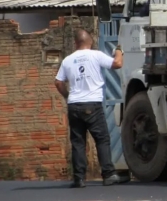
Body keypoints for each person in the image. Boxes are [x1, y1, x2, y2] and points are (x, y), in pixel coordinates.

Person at [54, 29, 130, 188]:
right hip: (92, 105)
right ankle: (108, 174)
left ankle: (79, 178)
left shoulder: (67, 60)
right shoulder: (96, 55)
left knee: (78, 142)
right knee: (102, 139)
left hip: (74, 105)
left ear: (76, 43)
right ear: (91, 42)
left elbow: (58, 82)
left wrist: (68, 96)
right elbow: (117, 63)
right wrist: (118, 50)